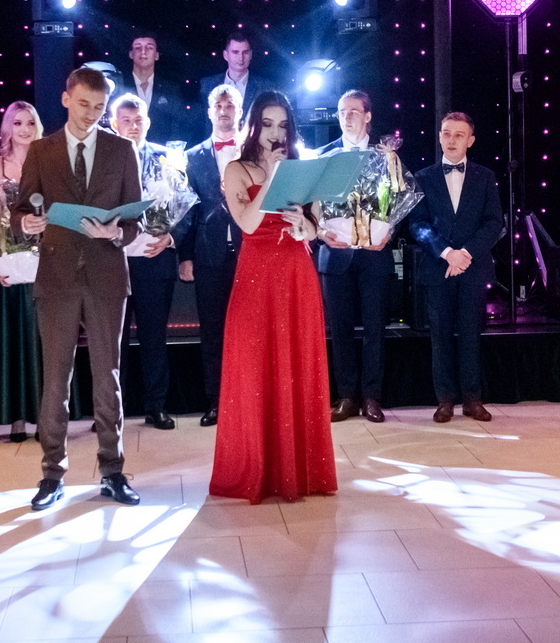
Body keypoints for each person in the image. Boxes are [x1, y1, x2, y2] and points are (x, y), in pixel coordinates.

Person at [17, 65, 141, 511]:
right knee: (56, 379)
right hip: (57, 276)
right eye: (84, 104)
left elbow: (135, 218)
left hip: (106, 275)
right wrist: (27, 222)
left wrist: (117, 232)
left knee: (108, 377)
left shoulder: (121, 149)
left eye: (100, 107)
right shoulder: (41, 150)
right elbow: (21, 208)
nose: (91, 114)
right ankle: (52, 474)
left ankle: (113, 471)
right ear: (66, 98)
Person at [210, 90, 337, 502]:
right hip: (256, 274)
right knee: (254, 366)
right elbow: (247, 224)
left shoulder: (303, 168)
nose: (275, 132)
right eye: (267, 124)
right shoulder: (237, 169)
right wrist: (274, 180)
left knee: (298, 365)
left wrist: (304, 226)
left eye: (282, 125)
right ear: (253, 126)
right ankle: (257, 467)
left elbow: (315, 228)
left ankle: (300, 470)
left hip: (296, 272)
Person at [411, 110, 503, 422]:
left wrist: (465, 254)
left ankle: (473, 399)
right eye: (447, 133)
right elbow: (418, 225)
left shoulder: (485, 177)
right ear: (439, 137)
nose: (451, 140)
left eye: (459, 135)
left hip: (473, 269)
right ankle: (445, 400)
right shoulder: (422, 177)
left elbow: (494, 223)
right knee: (439, 337)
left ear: (470, 141)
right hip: (438, 268)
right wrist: (447, 252)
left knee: (471, 334)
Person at [313, 88, 395, 423]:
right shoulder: (322, 156)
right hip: (336, 254)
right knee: (340, 329)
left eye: (353, 111)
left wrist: (388, 232)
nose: (346, 117)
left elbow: (398, 203)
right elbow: (308, 207)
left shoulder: (386, 156)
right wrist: (321, 232)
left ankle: (372, 397)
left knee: (375, 328)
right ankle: (346, 396)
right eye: (342, 112)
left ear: (368, 116)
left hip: (374, 254)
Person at [109, 95, 181, 431]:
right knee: (113, 342)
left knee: (155, 339)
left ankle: (157, 407)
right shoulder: (103, 160)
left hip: (154, 259)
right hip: (113, 262)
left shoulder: (168, 158)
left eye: (138, 120)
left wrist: (170, 237)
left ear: (148, 123)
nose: (133, 126)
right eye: (126, 120)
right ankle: (112, 410)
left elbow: (186, 205)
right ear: (114, 124)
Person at [0, 100, 45, 444]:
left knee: (42, 342)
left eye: (30, 123)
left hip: (43, 265)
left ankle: (46, 416)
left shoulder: (49, 161)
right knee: (10, 341)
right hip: (7, 264)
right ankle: (15, 419)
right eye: (17, 123)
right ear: (7, 128)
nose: (24, 129)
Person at [178, 84, 244, 427]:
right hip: (208, 253)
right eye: (218, 106)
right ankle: (216, 402)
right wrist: (185, 255)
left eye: (229, 105)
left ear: (239, 111)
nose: (223, 111)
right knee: (213, 331)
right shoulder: (193, 156)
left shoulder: (253, 151)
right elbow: (188, 210)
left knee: (248, 329)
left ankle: (248, 401)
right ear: (209, 112)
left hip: (250, 251)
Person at [121, 34, 189, 146]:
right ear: (131, 54)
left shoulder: (171, 89)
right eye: (138, 47)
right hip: (124, 150)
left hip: (161, 152)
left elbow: (178, 124)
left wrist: (169, 152)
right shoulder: (120, 85)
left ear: (156, 55)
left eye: (149, 47)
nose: (143, 52)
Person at [198, 33, 266, 114]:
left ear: (250, 55)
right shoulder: (207, 85)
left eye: (245, 52)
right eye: (235, 52)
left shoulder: (265, 87)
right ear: (225, 55)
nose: (241, 58)